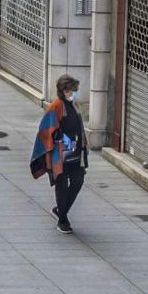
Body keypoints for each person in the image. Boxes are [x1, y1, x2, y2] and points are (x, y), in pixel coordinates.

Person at [29, 74, 89, 234]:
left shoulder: (74, 106)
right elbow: (45, 129)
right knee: (61, 185)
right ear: (62, 91)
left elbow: (80, 129)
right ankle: (63, 220)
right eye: (70, 90)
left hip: (76, 154)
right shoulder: (56, 106)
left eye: (75, 90)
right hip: (60, 156)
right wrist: (58, 142)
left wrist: (83, 149)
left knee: (78, 181)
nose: (73, 93)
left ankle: (60, 211)